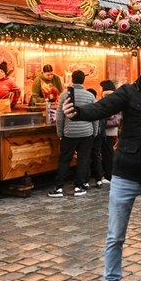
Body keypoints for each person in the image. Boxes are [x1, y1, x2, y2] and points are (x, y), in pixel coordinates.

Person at [62, 49, 141, 281]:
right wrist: (78, 112)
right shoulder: (128, 92)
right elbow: (101, 108)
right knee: (116, 235)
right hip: (125, 173)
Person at [49, 70, 97, 198]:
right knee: (83, 159)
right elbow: (95, 115)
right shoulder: (90, 96)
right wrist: (95, 131)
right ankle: (79, 186)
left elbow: (60, 116)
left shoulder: (65, 95)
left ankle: (59, 187)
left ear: (72, 79)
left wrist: (60, 132)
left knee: (65, 159)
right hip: (87, 132)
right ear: (83, 80)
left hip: (69, 133)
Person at [86, 88, 106, 188]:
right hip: (99, 134)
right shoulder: (99, 106)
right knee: (96, 156)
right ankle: (99, 179)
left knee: (87, 156)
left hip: (90, 134)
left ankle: (86, 180)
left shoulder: (88, 107)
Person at [100, 80, 119, 183]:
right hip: (112, 129)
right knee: (109, 151)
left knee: (107, 152)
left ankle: (109, 175)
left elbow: (110, 114)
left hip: (107, 129)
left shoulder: (107, 97)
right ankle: (109, 174)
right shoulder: (116, 97)